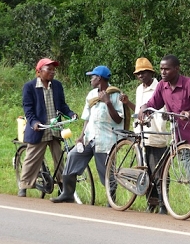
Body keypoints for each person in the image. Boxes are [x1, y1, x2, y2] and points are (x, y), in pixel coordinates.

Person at [138, 54, 190, 220]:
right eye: (161, 69)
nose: (163, 72)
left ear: (177, 69)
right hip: (181, 140)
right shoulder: (162, 86)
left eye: (167, 69)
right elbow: (154, 103)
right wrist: (144, 108)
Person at [51, 65, 124, 203]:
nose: (91, 80)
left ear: (100, 78)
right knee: (72, 157)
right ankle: (68, 193)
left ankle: (111, 200)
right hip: (89, 137)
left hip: (106, 139)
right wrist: (81, 136)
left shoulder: (115, 94)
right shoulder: (91, 95)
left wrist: (108, 102)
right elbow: (87, 118)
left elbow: (119, 119)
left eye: (93, 77)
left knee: (106, 170)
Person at [18, 58, 77, 197]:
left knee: (59, 158)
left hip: (55, 128)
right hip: (40, 129)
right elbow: (28, 109)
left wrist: (71, 114)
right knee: (32, 158)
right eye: (48, 69)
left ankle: (63, 185)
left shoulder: (57, 85)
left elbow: (62, 105)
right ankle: (24, 185)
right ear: (39, 72)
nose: (52, 72)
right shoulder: (30, 87)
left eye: (53, 69)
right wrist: (34, 123)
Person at [120, 58, 169, 214]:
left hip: (157, 134)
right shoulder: (139, 89)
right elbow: (139, 111)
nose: (141, 76)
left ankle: (163, 204)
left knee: (160, 172)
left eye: (143, 72)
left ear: (151, 72)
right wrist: (128, 103)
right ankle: (151, 202)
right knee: (145, 171)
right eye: (138, 73)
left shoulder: (160, 88)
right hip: (141, 135)